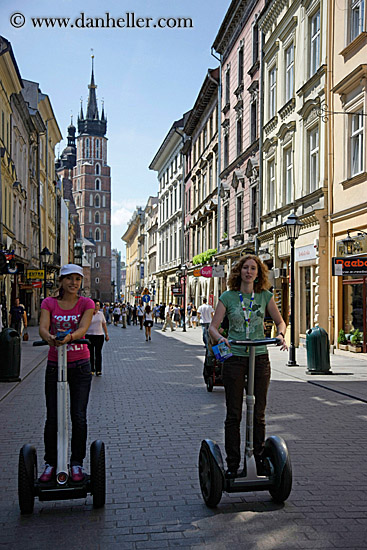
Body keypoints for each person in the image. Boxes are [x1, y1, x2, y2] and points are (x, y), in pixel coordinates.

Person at [209, 254, 288, 478]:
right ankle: (233, 464)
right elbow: (213, 328)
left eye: (253, 268)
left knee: (258, 412)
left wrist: (281, 334)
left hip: (260, 357)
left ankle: (258, 460)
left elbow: (280, 321)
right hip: (234, 357)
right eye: (245, 268)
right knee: (234, 413)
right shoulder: (228, 297)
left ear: (258, 273)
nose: (249, 272)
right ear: (239, 272)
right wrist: (220, 338)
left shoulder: (265, 296)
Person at [38, 264, 95, 483]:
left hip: (80, 364)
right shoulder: (49, 303)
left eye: (77, 279)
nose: (74, 283)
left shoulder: (86, 303)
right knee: (52, 417)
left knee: (78, 417)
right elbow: (44, 327)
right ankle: (51, 462)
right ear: (61, 281)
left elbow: (83, 328)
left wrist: (70, 338)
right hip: (55, 365)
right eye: (69, 279)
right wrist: (49, 338)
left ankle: (77, 462)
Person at [85, 299, 109, 376]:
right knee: (91, 353)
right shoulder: (87, 314)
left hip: (99, 335)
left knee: (98, 353)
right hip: (89, 335)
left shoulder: (101, 314)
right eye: (95, 305)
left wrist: (107, 334)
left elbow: (104, 325)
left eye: (98, 305)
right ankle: (92, 369)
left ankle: (98, 370)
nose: (96, 306)